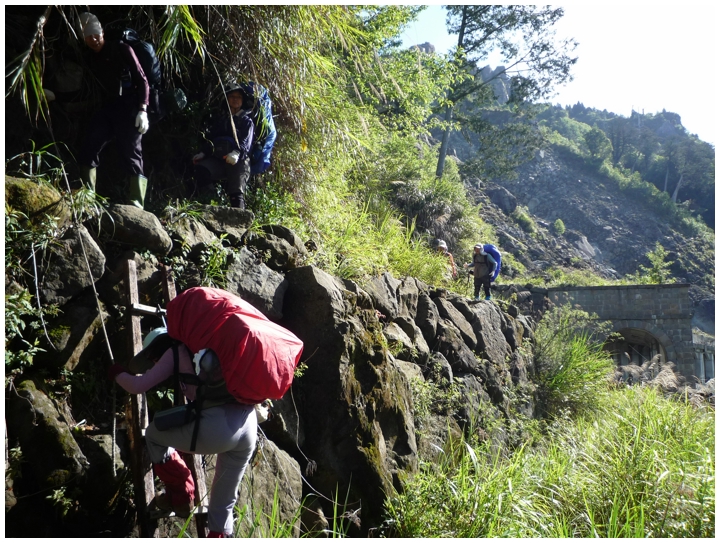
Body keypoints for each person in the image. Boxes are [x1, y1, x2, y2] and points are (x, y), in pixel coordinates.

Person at [108, 327, 257, 538]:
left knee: (153, 435)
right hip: (249, 424)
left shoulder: (174, 351)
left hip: (220, 427)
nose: (153, 362)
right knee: (223, 502)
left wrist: (117, 373)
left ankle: (181, 492)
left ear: (158, 347)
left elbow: (137, 385)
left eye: (152, 357)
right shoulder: (204, 350)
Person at [76, 13, 151, 209]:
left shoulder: (122, 49)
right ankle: (87, 197)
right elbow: (83, 91)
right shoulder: (90, 58)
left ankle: (136, 203)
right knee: (91, 144)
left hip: (130, 108)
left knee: (132, 152)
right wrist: (56, 96)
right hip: (108, 109)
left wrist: (143, 109)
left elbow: (143, 80)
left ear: (101, 32)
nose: (93, 40)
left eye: (95, 34)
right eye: (88, 36)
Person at [191, 83, 255, 209]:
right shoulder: (221, 120)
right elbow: (212, 139)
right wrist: (203, 153)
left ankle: (239, 222)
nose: (235, 99)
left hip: (239, 161)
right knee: (201, 171)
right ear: (227, 99)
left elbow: (246, 142)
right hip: (219, 160)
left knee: (236, 192)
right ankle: (212, 205)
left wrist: (237, 153)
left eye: (239, 97)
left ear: (243, 101)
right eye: (232, 96)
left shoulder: (246, 121)